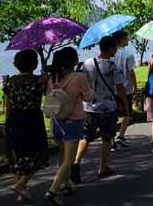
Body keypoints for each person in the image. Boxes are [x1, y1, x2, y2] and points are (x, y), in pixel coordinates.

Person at [72, 36, 129, 183]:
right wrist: (125, 105)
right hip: (108, 108)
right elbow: (120, 87)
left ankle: (76, 163)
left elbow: (81, 83)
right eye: (115, 47)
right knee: (107, 138)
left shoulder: (87, 63)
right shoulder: (112, 65)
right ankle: (103, 167)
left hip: (89, 107)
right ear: (110, 48)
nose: (116, 50)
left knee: (86, 136)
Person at [46, 47, 91, 205]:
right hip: (73, 121)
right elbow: (88, 97)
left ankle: (66, 185)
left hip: (56, 122)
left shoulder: (52, 78)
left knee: (62, 156)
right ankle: (53, 190)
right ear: (73, 61)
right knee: (69, 159)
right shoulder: (79, 77)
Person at [3, 49, 49, 203]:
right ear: (34, 63)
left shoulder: (11, 81)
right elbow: (49, 95)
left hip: (14, 119)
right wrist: (46, 79)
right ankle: (21, 184)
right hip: (32, 120)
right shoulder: (38, 81)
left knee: (20, 155)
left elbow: (7, 104)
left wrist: (7, 120)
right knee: (38, 154)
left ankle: (21, 193)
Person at [112, 30, 137, 151]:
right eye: (126, 38)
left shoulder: (110, 54)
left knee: (112, 115)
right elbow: (131, 73)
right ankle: (121, 135)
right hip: (126, 88)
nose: (128, 40)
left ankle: (111, 141)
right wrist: (136, 88)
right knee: (127, 113)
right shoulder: (128, 55)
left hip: (112, 90)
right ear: (121, 39)